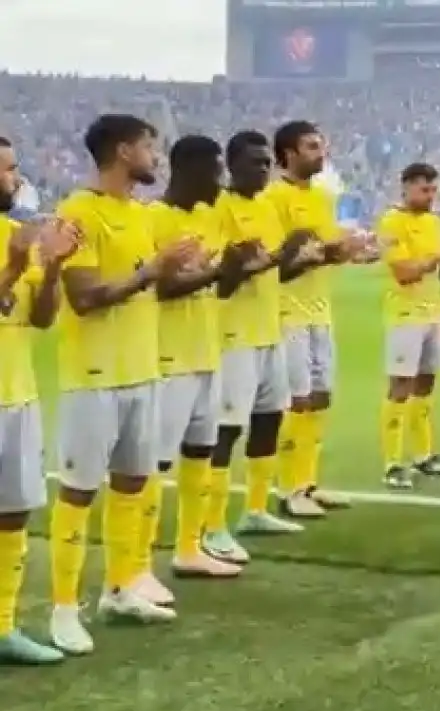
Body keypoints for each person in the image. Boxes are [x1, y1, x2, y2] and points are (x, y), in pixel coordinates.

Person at [50, 114, 194, 654]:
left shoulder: (140, 213)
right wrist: (152, 270)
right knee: (80, 490)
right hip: (94, 376)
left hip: (142, 369)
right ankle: (65, 607)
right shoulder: (79, 210)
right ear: (121, 151)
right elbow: (85, 296)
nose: (155, 158)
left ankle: (121, 585)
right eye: (148, 148)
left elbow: (156, 280)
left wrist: (182, 265)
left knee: (133, 483)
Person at [206, 130, 315, 564]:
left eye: (267, 163)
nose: (264, 170)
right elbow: (224, 279)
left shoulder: (268, 208)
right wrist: (273, 258)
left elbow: (276, 274)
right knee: (226, 429)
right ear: (232, 166)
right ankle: (212, 525)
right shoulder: (220, 209)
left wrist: (297, 257)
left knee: (269, 419)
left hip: (269, 330)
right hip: (234, 337)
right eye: (254, 163)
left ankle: (254, 509)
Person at [145, 135, 243, 591]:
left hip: (206, 350)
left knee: (200, 451)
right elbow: (162, 288)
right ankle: (137, 565)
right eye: (214, 171)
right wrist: (215, 270)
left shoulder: (207, 217)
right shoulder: (156, 218)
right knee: (153, 463)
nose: (220, 181)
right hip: (169, 357)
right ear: (188, 170)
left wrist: (238, 266)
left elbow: (216, 286)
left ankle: (189, 549)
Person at [0, 141, 80, 663]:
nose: (15, 175)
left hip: (17, 394)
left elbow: (42, 319)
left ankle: (2, 626)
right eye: (5, 168)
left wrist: (50, 269)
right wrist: (10, 269)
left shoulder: (15, 235)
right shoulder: (13, 246)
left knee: (12, 512)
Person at [264, 120, 356, 518]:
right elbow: (276, 266)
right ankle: (287, 489)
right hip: (288, 314)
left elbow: (323, 249)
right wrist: (325, 253)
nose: (322, 153)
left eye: (322, 145)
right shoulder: (274, 198)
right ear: (289, 153)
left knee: (321, 398)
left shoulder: (320, 197)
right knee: (296, 402)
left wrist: (349, 249)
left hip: (320, 309)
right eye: (312, 146)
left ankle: (308, 483)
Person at [377, 162, 440, 489]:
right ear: (407, 187)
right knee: (400, 387)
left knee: (426, 385)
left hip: (432, 313)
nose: (430, 195)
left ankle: (423, 455)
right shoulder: (392, 222)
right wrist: (439, 258)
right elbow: (405, 272)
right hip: (405, 317)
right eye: (424, 189)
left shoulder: (435, 223)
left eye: (433, 190)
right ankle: (392, 463)